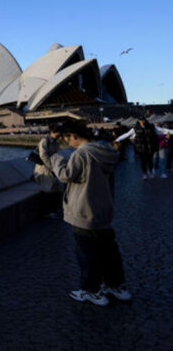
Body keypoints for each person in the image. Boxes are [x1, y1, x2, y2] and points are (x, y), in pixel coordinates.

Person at [50, 121, 129, 306]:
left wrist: (56, 160)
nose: (68, 143)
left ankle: (91, 291)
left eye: (67, 139)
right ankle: (117, 286)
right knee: (109, 252)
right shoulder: (105, 152)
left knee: (87, 254)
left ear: (74, 136)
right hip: (104, 210)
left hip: (84, 211)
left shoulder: (81, 153)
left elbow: (65, 175)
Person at [32, 123, 65, 218]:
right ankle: (48, 211)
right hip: (44, 169)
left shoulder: (54, 141)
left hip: (52, 168)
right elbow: (43, 156)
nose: (59, 135)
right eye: (57, 133)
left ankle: (55, 209)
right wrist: (52, 167)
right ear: (52, 132)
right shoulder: (45, 141)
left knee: (55, 189)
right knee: (48, 190)